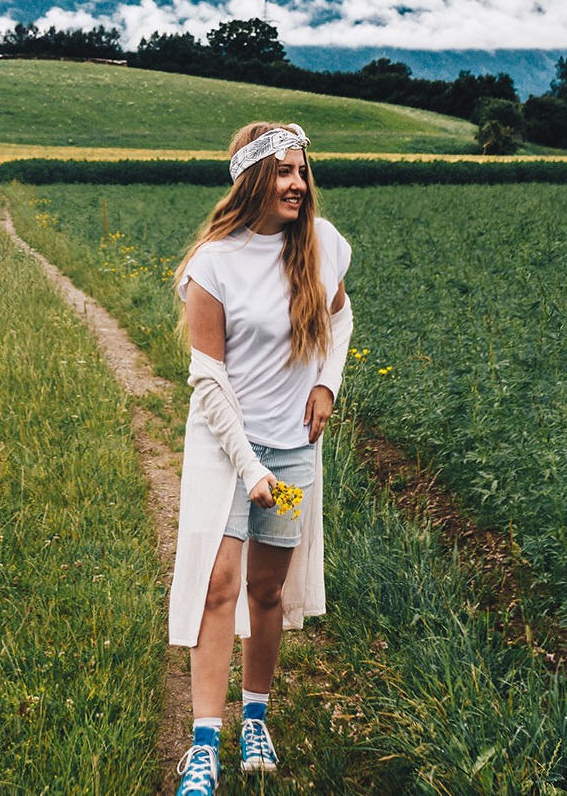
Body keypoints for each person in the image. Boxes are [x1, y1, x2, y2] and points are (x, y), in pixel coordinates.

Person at [168, 121, 353, 790]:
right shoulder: (211, 264)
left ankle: (255, 713)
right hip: (225, 455)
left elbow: (339, 316)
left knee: (267, 586)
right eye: (282, 171)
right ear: (250, 178)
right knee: (220, 586)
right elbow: (207, 379)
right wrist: (249, 468)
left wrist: (327, 381)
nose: (297, 183)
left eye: (301, 170)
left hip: (293, 457)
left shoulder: (322, 247)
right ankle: (204, 743)